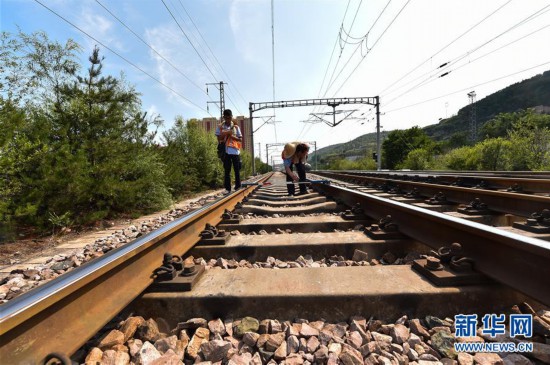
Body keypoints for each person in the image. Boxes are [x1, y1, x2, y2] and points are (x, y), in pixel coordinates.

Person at [215, 109, 243, 193]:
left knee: (236, 169)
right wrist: (224, 134)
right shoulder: (220, 127)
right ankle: (227, 188)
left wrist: (231, 136)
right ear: (223, 117)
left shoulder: (236, 127)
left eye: (229, 117)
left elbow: (240, 139)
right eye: (226, 117)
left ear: (231, 117)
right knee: (227, 170)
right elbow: (218, 138)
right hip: (226, 151)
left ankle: (238, 186)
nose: (227, 119)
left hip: (235, 151)